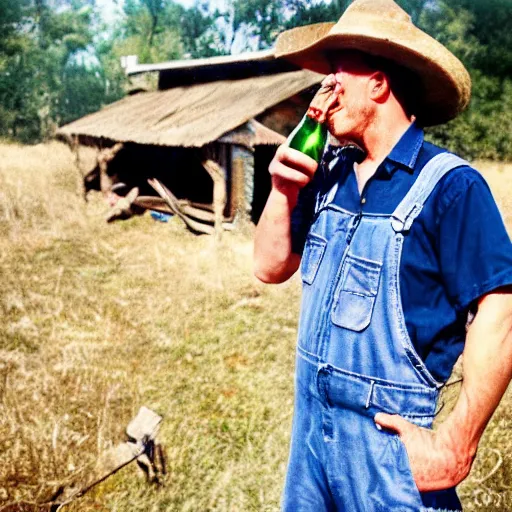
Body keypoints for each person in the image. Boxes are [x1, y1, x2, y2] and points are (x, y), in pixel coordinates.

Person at [253, 0, 512, 510]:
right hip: (309, 447)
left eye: (336, 72)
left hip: (388, 457)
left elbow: (501, 312)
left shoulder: (452, 186)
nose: (326, 88)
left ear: (377, 82)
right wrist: (282, 188)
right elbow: (268, 268)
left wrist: (458, 443)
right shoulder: (325, 175)